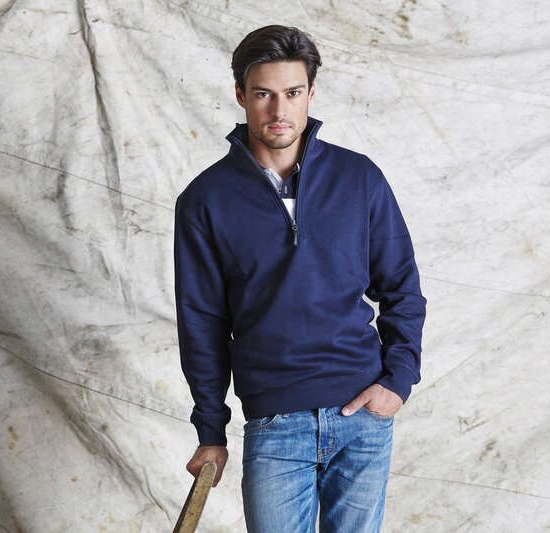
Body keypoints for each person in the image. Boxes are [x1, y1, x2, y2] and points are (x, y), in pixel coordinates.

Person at [174, 25, 426, 532]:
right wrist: (211, 430)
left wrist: (397, 381)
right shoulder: (205, 200)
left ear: (311, 93)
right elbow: (201, 323)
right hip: (275, 424)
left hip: (362, 416)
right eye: (263, 94)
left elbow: (401, 287)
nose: (279, 110)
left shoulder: (360, 178)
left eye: (292, 93)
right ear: (241, 95)